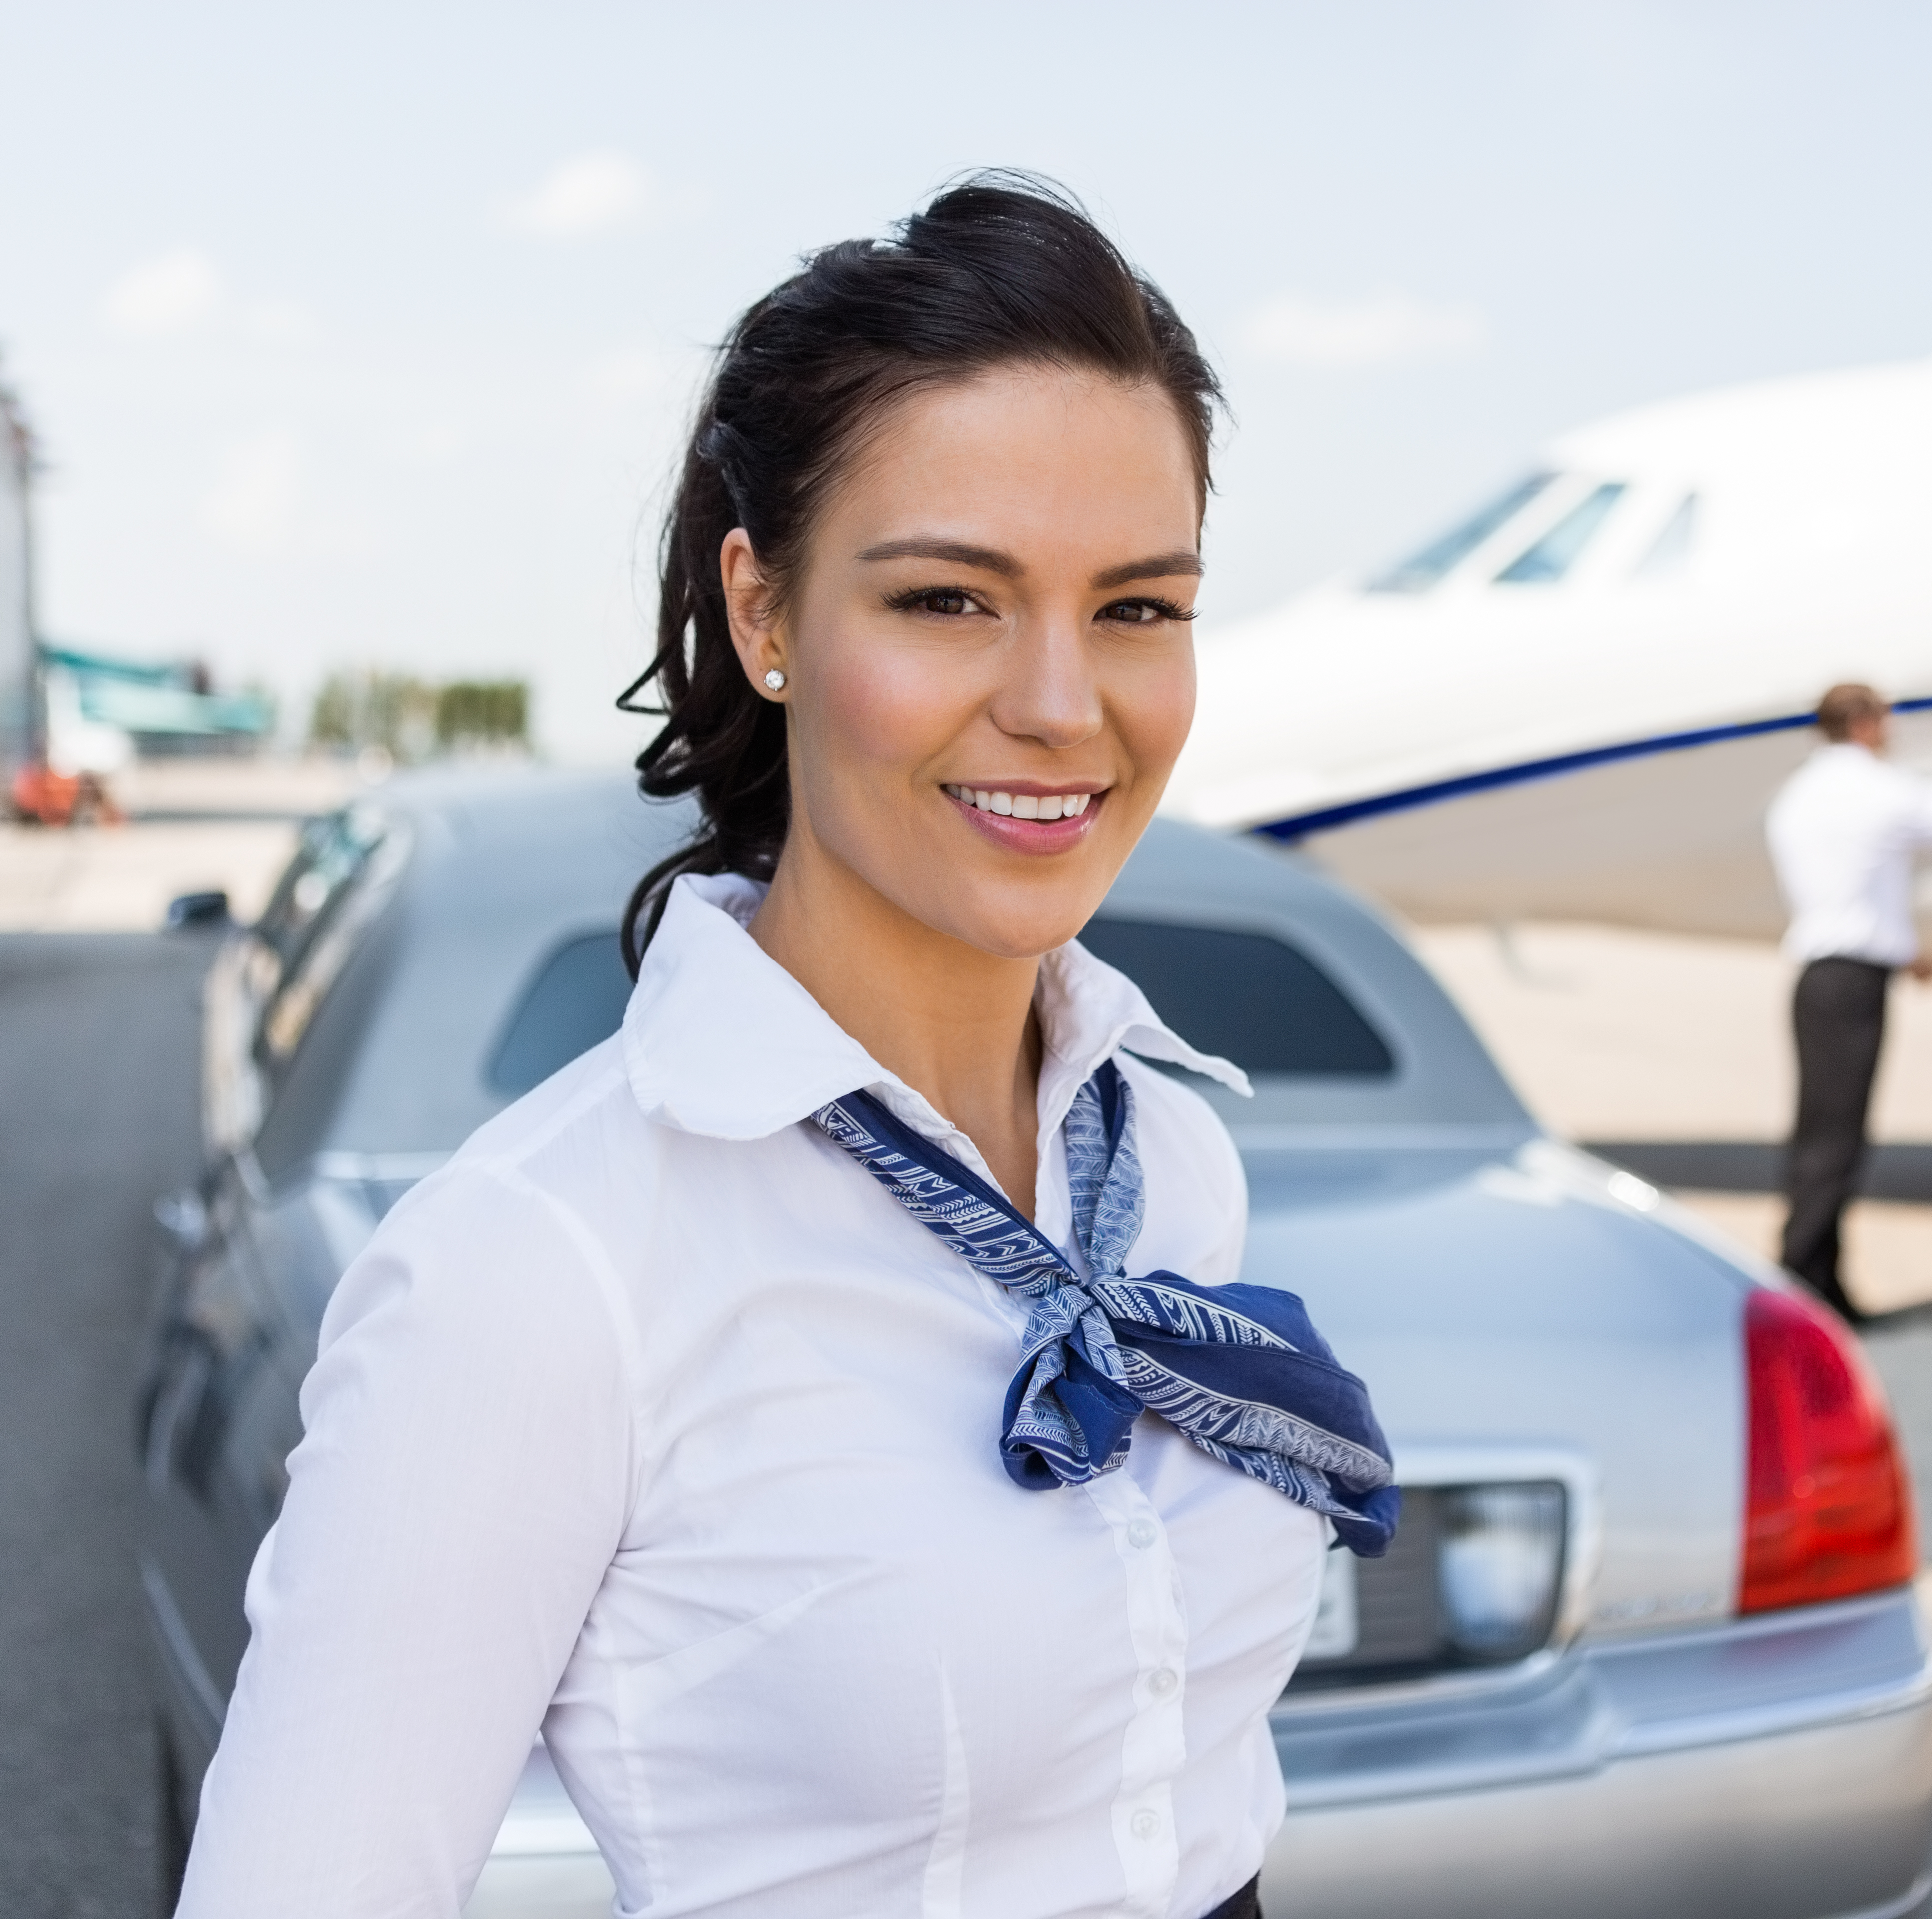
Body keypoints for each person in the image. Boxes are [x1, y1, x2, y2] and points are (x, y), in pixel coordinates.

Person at [177, 178, 1397, 1919]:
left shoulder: (1160, 1156)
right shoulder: (543, 1268)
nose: (1065, 703)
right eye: (948, 601)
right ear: (764, 616)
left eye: (1136, 607)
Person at [1765, 685, 1932, 1321]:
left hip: (1817, 977)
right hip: (1851, 987)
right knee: (1836, 1142)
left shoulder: (1798, 796)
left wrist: (1906, 953)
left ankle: (1824, 1280)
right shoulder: (1875, 790)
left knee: (1820, 1132)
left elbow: (1847, 901)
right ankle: (1801, 1279)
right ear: (1868, 724)